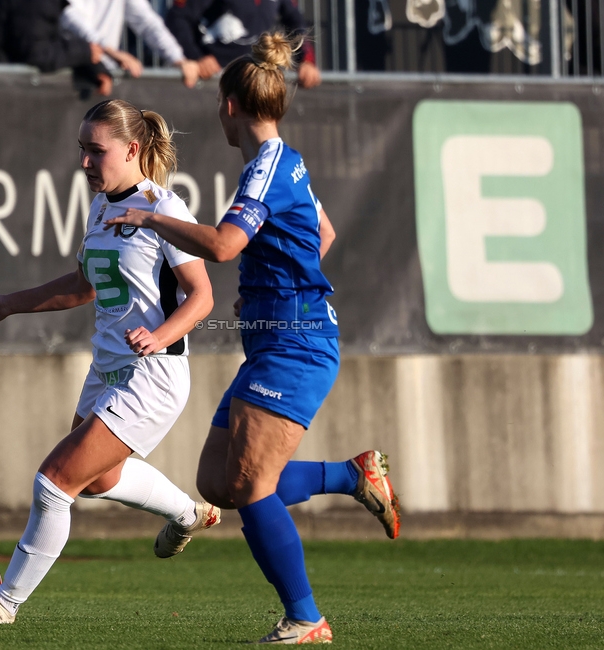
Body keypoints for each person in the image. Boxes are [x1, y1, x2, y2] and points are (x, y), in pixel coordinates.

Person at [104, 32, 400, 644]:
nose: (217, 114)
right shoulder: (286, 162)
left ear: (231, 106)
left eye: (219, 104)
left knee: (251, 485)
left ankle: (305, 617)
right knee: (217, 482)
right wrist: (269, 286)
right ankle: (353, 476)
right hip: (275, 338)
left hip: (297, 344)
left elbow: (220, 246)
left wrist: (151, 216)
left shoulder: (265, 170)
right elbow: (324, 232)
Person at [0, 99, 220, 624]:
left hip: (153, 374)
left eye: (97, 151)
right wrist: (9, 304)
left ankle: (3, 605)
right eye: (82, 151)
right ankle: (188, 513)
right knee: (97, 480)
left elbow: (202, 296)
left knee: (54, 483)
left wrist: (160, 335)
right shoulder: (101, 207)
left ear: (132, 150)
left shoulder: (164, 208)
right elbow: (83, 286)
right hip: (108, 368)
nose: (86, 163)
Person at [0, 0, 114, 95]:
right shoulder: (35, 3)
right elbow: (37, 52)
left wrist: (92, 66)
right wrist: (85, 53)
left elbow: (47, 36)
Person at [164, 0, 322, 88]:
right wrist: (197, 57)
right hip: (211, 82)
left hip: (254, 80)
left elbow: (296, 22)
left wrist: (307, 61)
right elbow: (177, 18)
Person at [60, 0, 201, 90]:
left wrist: (178, 59)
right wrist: (111, 51)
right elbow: (69, 18)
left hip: (106, 76)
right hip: (62, 77)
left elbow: (147, 23)